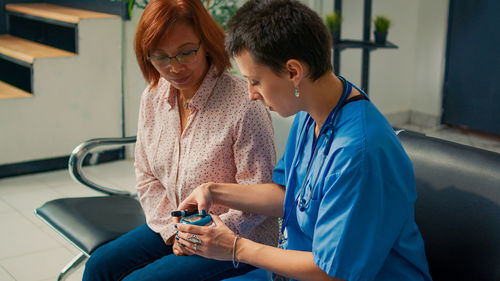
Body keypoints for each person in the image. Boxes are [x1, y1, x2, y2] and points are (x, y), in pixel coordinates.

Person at [175, 0, 433, 280]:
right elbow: (291, 195)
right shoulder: (314, 109)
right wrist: (213, 190)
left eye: (256, 81)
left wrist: (235, 248)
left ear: (293, 72)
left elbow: (332, 273)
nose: (251, 94)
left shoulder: (358, 154)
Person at [82, 0, 279, 280]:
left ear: (207, 42)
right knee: (99, 266)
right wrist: (173, 232)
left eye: (186, 52)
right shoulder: (153, 97)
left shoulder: (244, 103)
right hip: (175, 228)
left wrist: (198, 237)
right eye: (160, 57)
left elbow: (260, 195)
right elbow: (146, 176)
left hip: (233, 235)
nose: (174, 68)